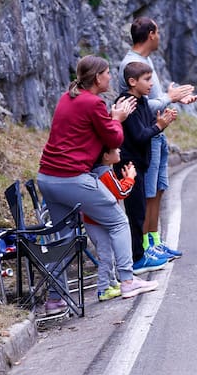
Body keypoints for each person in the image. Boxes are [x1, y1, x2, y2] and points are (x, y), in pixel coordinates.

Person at [37, 56, 158, 304]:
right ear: (96, 78)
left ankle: (55, 298)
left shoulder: (67, 97)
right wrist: (117, 119)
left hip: (47, 177)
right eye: (107, 73)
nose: (110, 77)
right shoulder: (93, 103)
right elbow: (114, 140)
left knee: (64, 237)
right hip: (72, 177)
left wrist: (112, 119)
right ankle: (127, 280)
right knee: (118, 222)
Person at [121, 18, 196, 259]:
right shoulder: (133, 63)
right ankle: (145, 246)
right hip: (148, 134)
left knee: (159, 189)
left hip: (158, 133)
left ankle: (155, 240)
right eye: (158, 31)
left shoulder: (146, 61)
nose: (160, 36)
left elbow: (155, 98)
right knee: (148, 193)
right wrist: (169, 98)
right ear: (151, 34)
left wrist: (174, 98)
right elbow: (140, 106)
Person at [120, 61, 179, 269]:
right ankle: (137, 259)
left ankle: (142, 252)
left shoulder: (143, 101)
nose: (151, 83)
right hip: (129, 167)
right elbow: (138, 135)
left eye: (151, 78)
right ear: (132, 81)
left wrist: (162, 122)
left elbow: (148, 129)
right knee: (135, 213)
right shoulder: (128, 103)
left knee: (141, 210)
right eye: (146, 79)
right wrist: (159, 125)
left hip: (141, 164)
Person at [84, 148, 139, 302]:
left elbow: (112, 190)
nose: (120, 150)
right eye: (115, 149)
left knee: (107, 254)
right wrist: (130, 178)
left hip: (94, 220)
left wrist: (123, 179)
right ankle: (103, 289)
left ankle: (112, 283)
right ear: (106, 156)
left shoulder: (99, 171)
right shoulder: (105, 173)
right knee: (106, 256)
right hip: (97, 222)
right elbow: (120, 192)